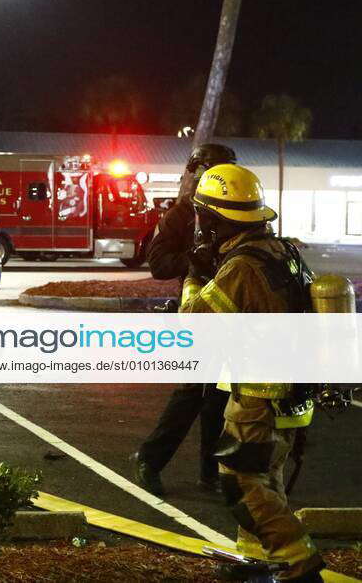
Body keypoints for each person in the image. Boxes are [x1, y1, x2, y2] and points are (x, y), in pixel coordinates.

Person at [180, 163, 323, 583]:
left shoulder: (241, 266)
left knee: (242, 482)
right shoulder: (284, 253)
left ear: (211, 220)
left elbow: (193, 324)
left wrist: (193, 277)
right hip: (294, 393)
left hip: (258, 397)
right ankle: (259, 563)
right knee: (266, 476)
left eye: (202, 216)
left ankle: (298, 562)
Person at [130, 143, 236, 496]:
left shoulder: (235, 212)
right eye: (214, 171)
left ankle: (211, 472)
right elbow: (158, 264)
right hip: (197, 313)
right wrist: (195, 260)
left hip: (231, 312)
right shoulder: (180, 215)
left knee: (221, 398)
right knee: (192, 392)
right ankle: (150, 460)